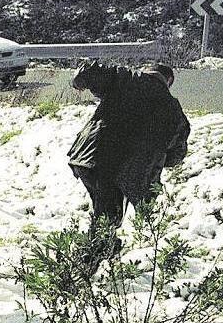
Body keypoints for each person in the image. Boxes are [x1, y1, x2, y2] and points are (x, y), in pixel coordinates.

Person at [67, 61, 189, 250]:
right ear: (169, 81)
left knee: (104, 215)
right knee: (107, 222)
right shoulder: (174, 110)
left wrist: (78, 82)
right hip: (124, 171)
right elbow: (176, 155)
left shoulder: (127, 78)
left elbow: (89, 71)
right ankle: (86, 265)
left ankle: (89, 260)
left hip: (89, 157)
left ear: (146, 70)